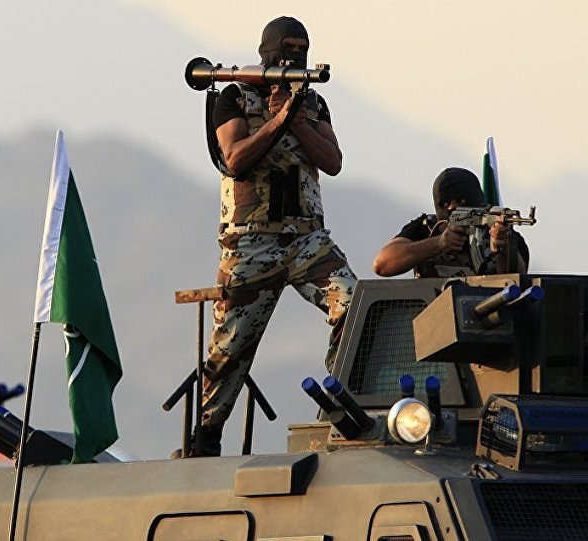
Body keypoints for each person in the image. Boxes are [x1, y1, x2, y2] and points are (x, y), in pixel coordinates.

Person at [182, 16, 357, 457]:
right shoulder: (234, 96)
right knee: (231, 348)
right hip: (251, 241)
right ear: (269, 50)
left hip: (307, 241)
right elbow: (235, 159)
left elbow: (333, 161)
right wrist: (279, 118)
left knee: (354, 307)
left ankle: (339, 404)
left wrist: (295, 118)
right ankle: (206, 436)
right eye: (288, 47)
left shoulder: (313, 103)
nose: (296, 55)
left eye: (302, 47)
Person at [372, 167, 529, 278]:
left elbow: (515, 281)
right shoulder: (427, 228)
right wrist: (439, 243)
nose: (452, 207)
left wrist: (503, 245)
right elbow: (382, 265)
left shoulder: (502, 232)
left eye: (462, 200)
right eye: (445, 203)